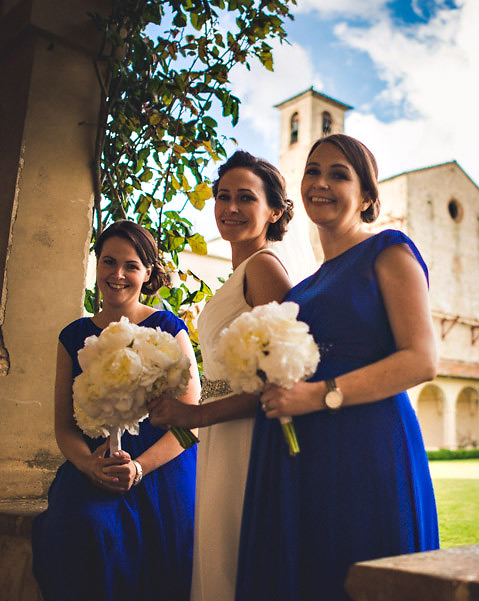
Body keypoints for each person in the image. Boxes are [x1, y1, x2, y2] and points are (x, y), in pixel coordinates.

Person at [236, 134, 440, 601]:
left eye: (338, 174)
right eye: (312, 171)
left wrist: (319, 394)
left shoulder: (388, 251)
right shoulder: (303, 286)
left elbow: (422, 359)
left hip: (365, 445)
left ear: (367, 197)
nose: (320, 183)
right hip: (301, 455)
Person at [148, 150, 294, 601]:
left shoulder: (265, 268)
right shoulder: (236, 276)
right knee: (218, 561)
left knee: (237, 564)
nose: (230, 207)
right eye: (223, 196)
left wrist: (194, 416)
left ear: (274, 211)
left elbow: (282, 382)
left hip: (248, 440)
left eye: (245, 197)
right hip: (219, 438)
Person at [32, 220, 200, 601]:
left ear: (147, 273)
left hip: (160, 470)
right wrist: (90, 466)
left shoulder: (168, 328)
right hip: (94, 467)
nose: (118, 274)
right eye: (109, 262)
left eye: (131, 266)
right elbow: (63, 426)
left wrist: (139, 468)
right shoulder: (72, 336)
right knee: (83, 528)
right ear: (97, 264)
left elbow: (191, 426)